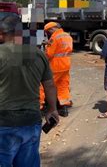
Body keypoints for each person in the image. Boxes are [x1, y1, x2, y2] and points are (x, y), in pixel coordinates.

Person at [0, 14, 60, 167]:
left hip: (4, 124)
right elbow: (50, 85)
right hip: (31, 121)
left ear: (2, 33)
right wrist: (52, 109)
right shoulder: (38, 54)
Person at [39, 22, 73, 117]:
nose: (48, 35)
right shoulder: (68, 36)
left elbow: (49, 54)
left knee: (43, 86)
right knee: (63, 85)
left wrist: (45, 48)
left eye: (47, 33)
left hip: (55, 66)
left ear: (51, 29)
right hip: (66, 65)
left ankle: (40, 107)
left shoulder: (54, 38)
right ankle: (64, 107)